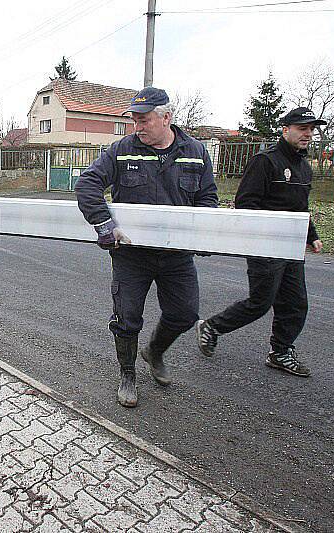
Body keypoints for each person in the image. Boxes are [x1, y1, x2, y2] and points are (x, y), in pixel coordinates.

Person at [75, 87, 218, 408]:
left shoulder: (195, 151)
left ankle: (154, 351)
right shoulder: (122, 150)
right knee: (127, 318)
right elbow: (87, 184)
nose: (137, 127)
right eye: (134, 121)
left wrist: (205, 234)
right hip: (131, 255)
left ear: (166, 117)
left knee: (184, 314)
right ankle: (128, 374)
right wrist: (104, 224)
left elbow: (207, 198)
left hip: (176, 255)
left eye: (144, 120)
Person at [196, 107, 325, 377]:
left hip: (290, 245)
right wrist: (265, 233)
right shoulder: (265, 162)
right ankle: (211, 326)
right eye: (303, 128)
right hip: (265, 245)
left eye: (311, 129)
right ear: (285, 129)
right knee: (261, 302)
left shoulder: (303, 167)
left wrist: (311, 235)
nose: (308, 134)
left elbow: (300, 208)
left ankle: (280, 351)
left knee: (295, 303)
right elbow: (246, 204)